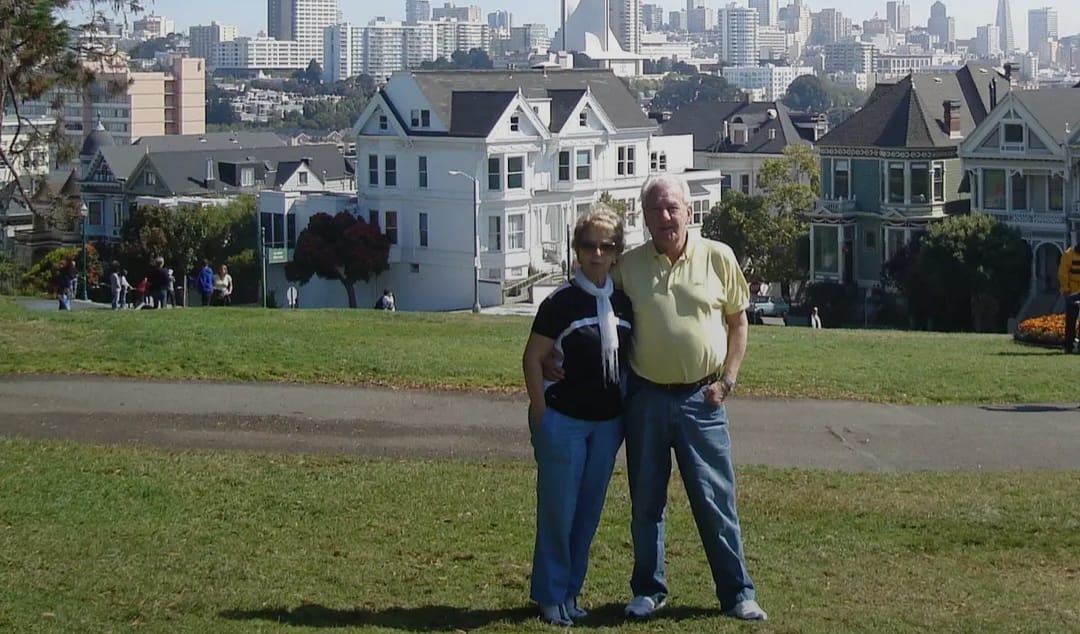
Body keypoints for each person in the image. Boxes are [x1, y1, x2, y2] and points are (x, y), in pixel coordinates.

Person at [546, 175, 766, 621]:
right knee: (647, 502)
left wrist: (728, 381)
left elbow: (738, 322)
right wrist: (553, 347)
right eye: (655, 211)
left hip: (703, 400)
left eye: (672, 208)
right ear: (644, 219)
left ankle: (737, 593)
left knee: (715, 499)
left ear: (689, 211)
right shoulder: (628, 266)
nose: (665, 217)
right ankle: (649, 589)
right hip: (645, 397)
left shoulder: (718, 257)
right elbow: (588, 294)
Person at [522, 206, 633, 626]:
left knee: (587, 514)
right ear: (577, 249)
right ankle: (549, 595)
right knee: (558, 512)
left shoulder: (622, 302)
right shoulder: (560, 303)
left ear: (618, 251)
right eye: (590, 246)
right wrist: (541, 413)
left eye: (607, 246)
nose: (598, 254)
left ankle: (571, 593)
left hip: (607, 426)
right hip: (564, 421)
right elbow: (532, 359)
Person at [1058, 234, 1080, 353]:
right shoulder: (1068, 254)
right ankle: (1068, 346)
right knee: (1071, 321)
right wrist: (1066, 289)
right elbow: (1063, 273)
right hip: (1072, 293)